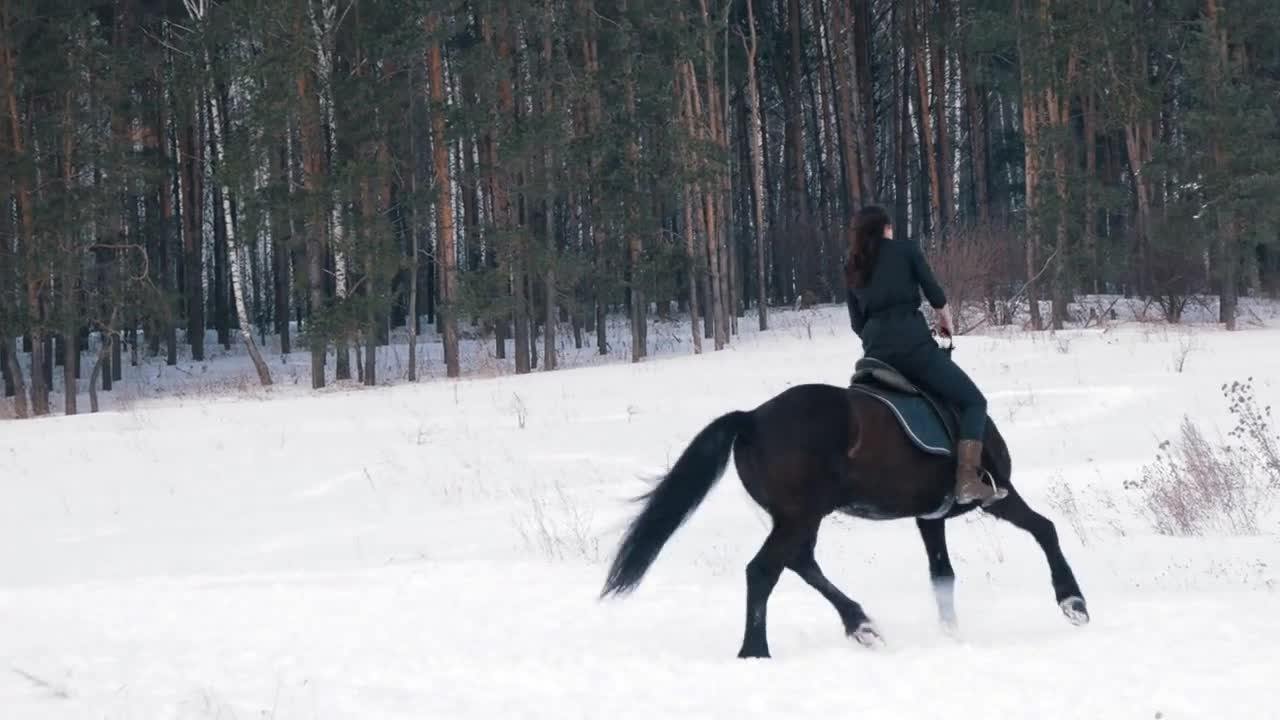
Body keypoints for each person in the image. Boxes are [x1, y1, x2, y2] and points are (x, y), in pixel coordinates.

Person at [844, 205, 1006, 506]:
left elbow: (856, 323)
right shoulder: (906, 251)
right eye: (890, 227)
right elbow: (934, 294)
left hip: (875, 357)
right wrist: (945, 321)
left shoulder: (853, 264)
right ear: (885, 228)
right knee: (974, 401)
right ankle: (968, 478)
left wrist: (876, 338)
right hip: (913, 349)